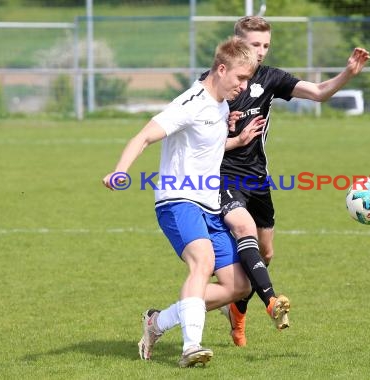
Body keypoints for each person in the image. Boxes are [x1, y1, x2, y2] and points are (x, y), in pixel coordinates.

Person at [102, 36, 262, 368]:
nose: (244, 86)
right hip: (178, 198)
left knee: (238, 285)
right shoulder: (190, 102)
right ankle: (191, 347)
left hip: (209, 204)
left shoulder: (220, 105)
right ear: (221, 69)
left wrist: (236, 140)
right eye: (240, 78)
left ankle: (157, 323)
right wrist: (119, 171)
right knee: (202, 263)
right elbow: (144, 136)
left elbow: (206, 148)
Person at [218, 16, 370, 347]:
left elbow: (317, 92)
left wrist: (347, 74)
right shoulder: (218, 80)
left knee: (267, 253)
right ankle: (268, 303)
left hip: (258, 178)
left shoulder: (271, 78)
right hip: (223, 177)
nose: (260, 51)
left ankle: (234, 307)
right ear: (236, 42)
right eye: (254, 44)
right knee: (244, 231)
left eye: (265, 45)